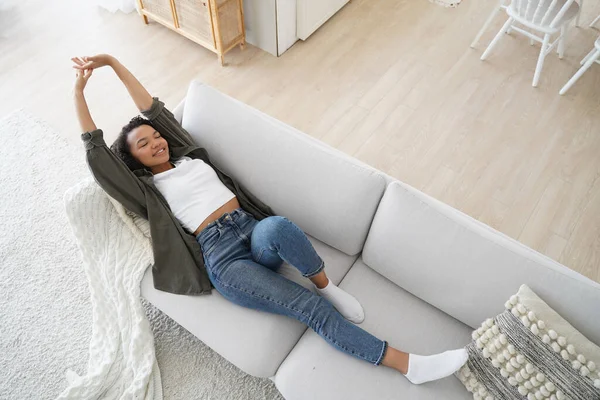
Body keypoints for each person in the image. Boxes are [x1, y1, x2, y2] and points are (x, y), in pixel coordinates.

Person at [71, 53, 468, 385]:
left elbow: (152, 108)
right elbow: (96, 152)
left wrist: (110, 62)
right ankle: (407, 364)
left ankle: (326, 284)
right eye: (144, 144)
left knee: (278, 226)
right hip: (225, 259)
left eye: (155, 136)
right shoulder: (147, 191)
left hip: (250, 229)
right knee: (308, 309)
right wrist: (79, 90)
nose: (155, 142)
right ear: (134, 160)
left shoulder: (187, 154)